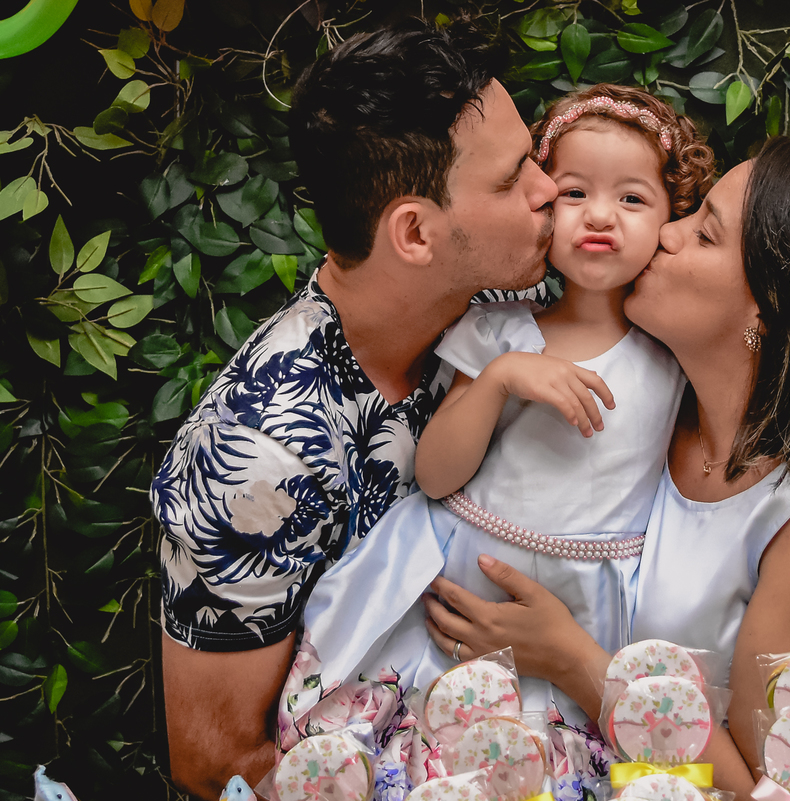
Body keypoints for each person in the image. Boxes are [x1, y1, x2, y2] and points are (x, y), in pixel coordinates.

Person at [420, 139, 790, 801]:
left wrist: (573, 660)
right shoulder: (658, 407)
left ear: (768, 306)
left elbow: (776, 790)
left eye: (703, 233)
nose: (665, 234)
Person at [149, 19, 558, 800]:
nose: (547, 189)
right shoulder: (257, 455)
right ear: (414, 232)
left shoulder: (510, 290)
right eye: (511, 180)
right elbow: (217, 762)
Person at [275, 83, 716, 797]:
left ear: (671, 217)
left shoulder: (672, 351)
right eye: (574, 192)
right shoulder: (500, 330)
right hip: (464, 577)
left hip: (587, 607)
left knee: (546, 758)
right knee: (447, 739)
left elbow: (775, 381)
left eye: (633, 199)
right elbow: (436, 472)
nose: (600, 215)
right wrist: (501, 379)